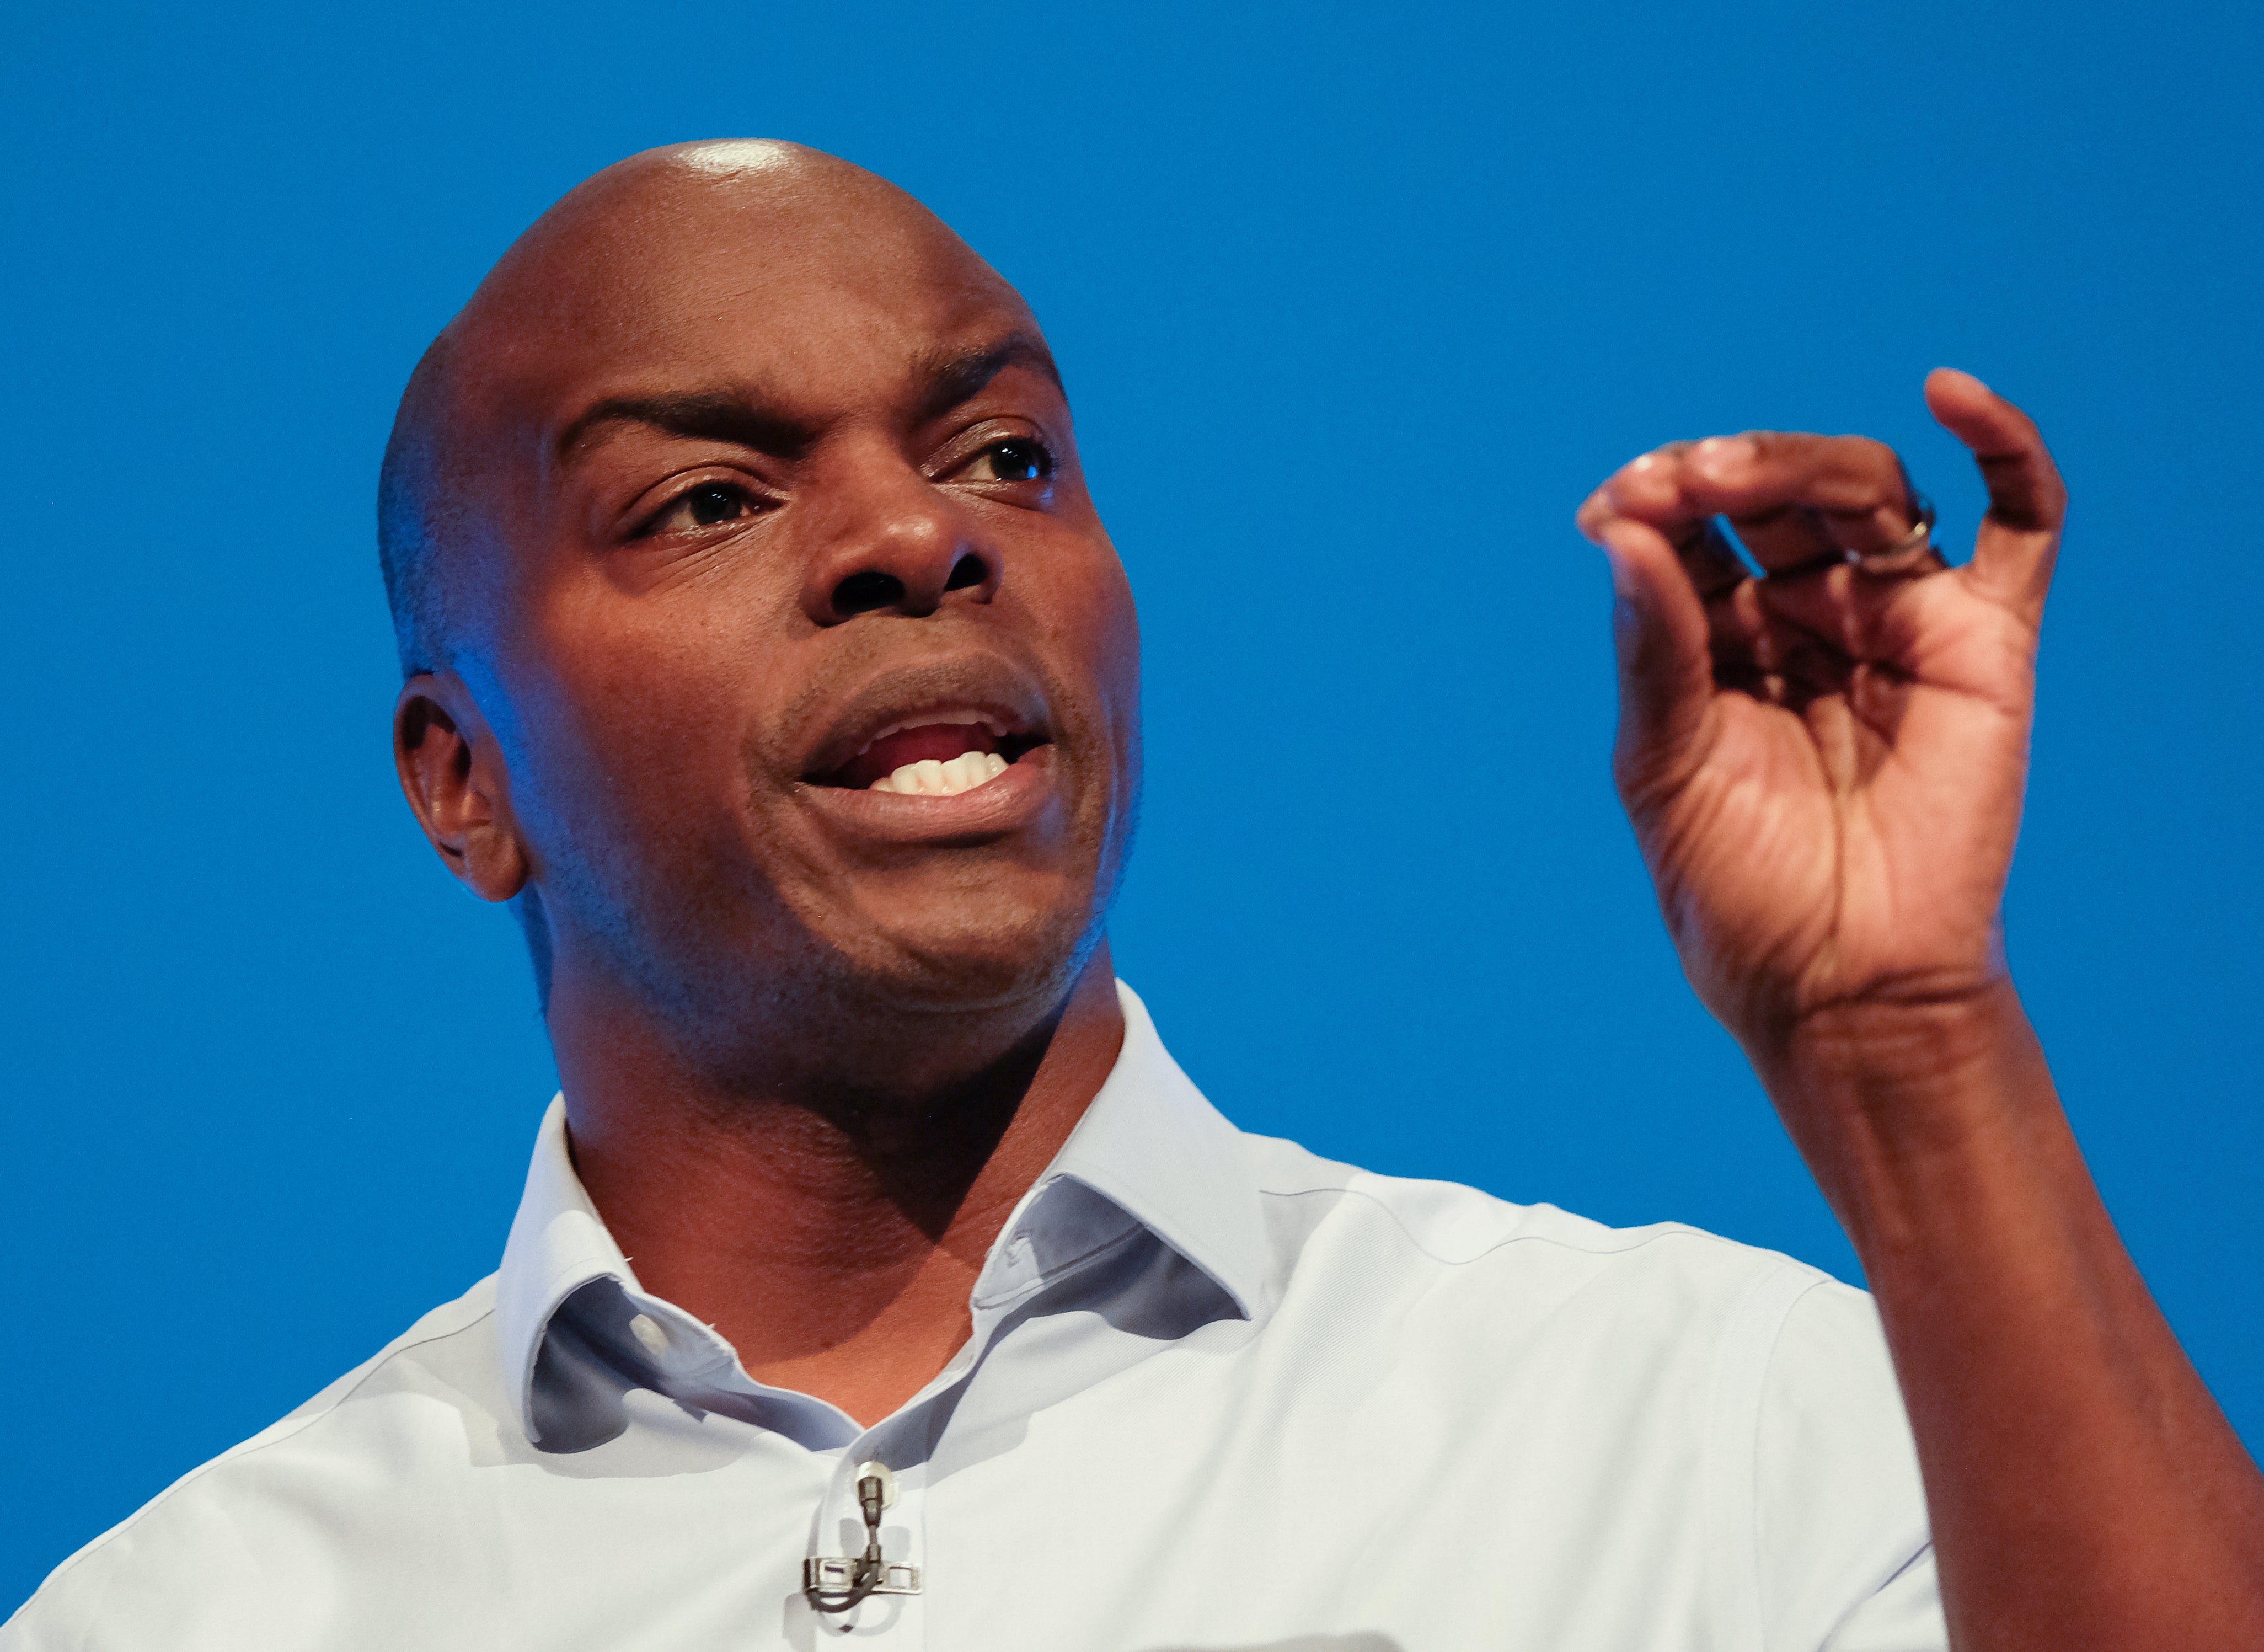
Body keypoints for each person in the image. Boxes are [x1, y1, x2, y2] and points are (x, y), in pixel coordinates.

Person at [7, 138, 2259, 1651]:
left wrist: (1899, 1042)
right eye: (704, 497)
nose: (918, 536)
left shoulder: (1693, 1424)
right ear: (462, 780)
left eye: (1002, 454)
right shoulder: (197, 1614)